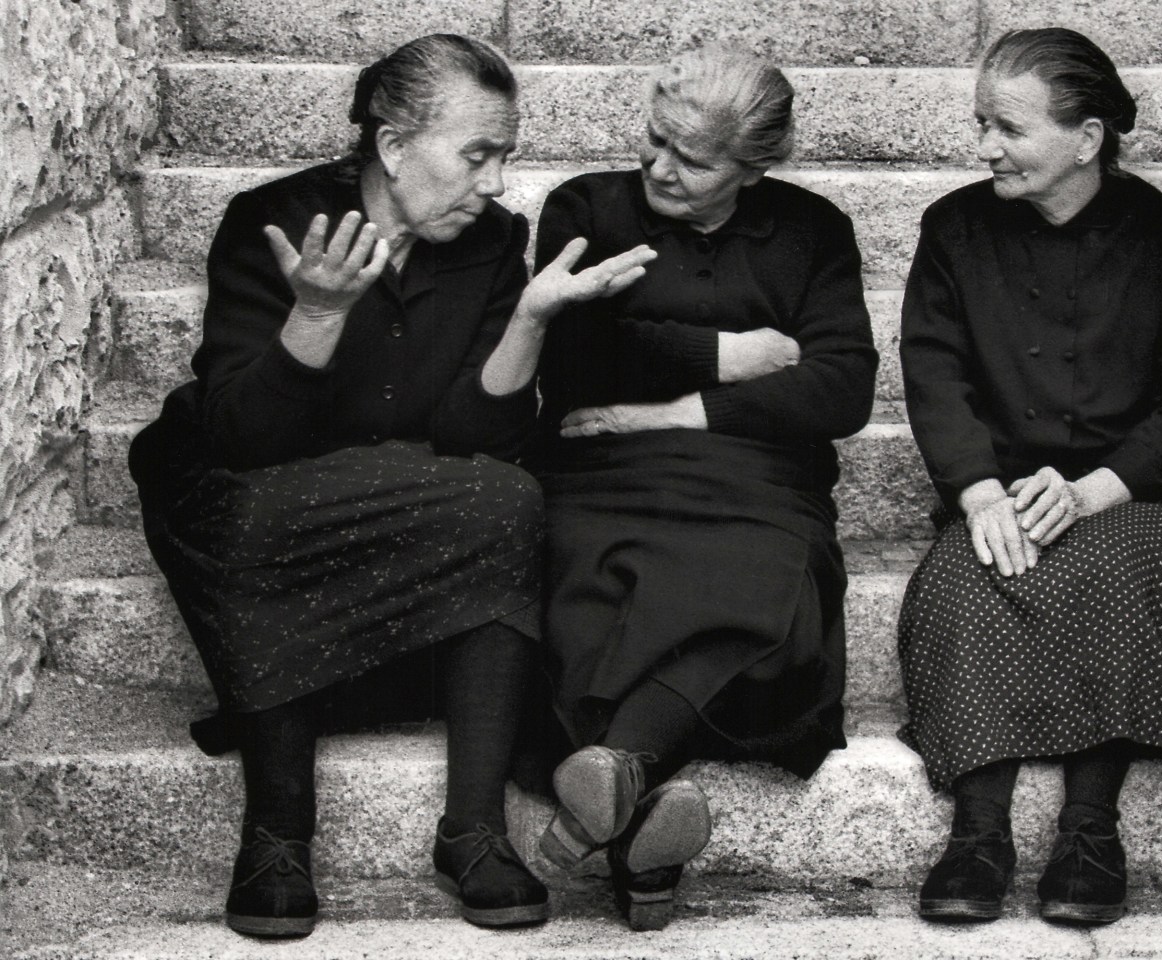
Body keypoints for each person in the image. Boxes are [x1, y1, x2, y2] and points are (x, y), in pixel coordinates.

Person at [127, 34, 655, 938]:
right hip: (264, 483)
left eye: (505, 157)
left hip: (403, 484)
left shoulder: (492, 243)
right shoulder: (273, 221)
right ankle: (277, 834)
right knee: (256, 510)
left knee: (511, 499)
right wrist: (319, 313)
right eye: (476, 154)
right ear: (393, 145)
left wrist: (528, 317)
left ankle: (474, 831)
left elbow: (477, 433)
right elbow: (245, 436)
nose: (494, 183)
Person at [896, 27, 1162, 926]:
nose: (984, 145)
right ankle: (978, 830)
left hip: (1135, 491)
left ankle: (1087, 829)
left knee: (1115, 570)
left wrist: (1093, 490)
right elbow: (934, 371)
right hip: (999, 486)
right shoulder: (952, 228)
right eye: (979, 123)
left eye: (1007, 126)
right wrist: (978, 492)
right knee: (967, 576)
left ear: (1084, 139)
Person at [528, 44, 878, 930]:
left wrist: (671, 406)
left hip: (756, 476)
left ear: (753, 168)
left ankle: (620, 772)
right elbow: (568, 353)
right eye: (653, 141)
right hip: (602, 468)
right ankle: (639, 822)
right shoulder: (586, 207)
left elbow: (839, 389)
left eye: (692, 159)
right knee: (586, 584)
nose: (658, 167)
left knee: (770, 576)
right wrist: (732, 355)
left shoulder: (810, 231)